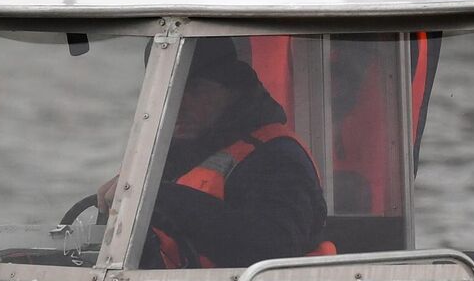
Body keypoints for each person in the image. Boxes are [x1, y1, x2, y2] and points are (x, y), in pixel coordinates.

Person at [106, 38, 329, 268]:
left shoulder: (277, 157)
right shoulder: (172, 150)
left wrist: (155, 196)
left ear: (232, 90)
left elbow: (274, 248)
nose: (177, 105)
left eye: (194, 89)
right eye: (167, 91)